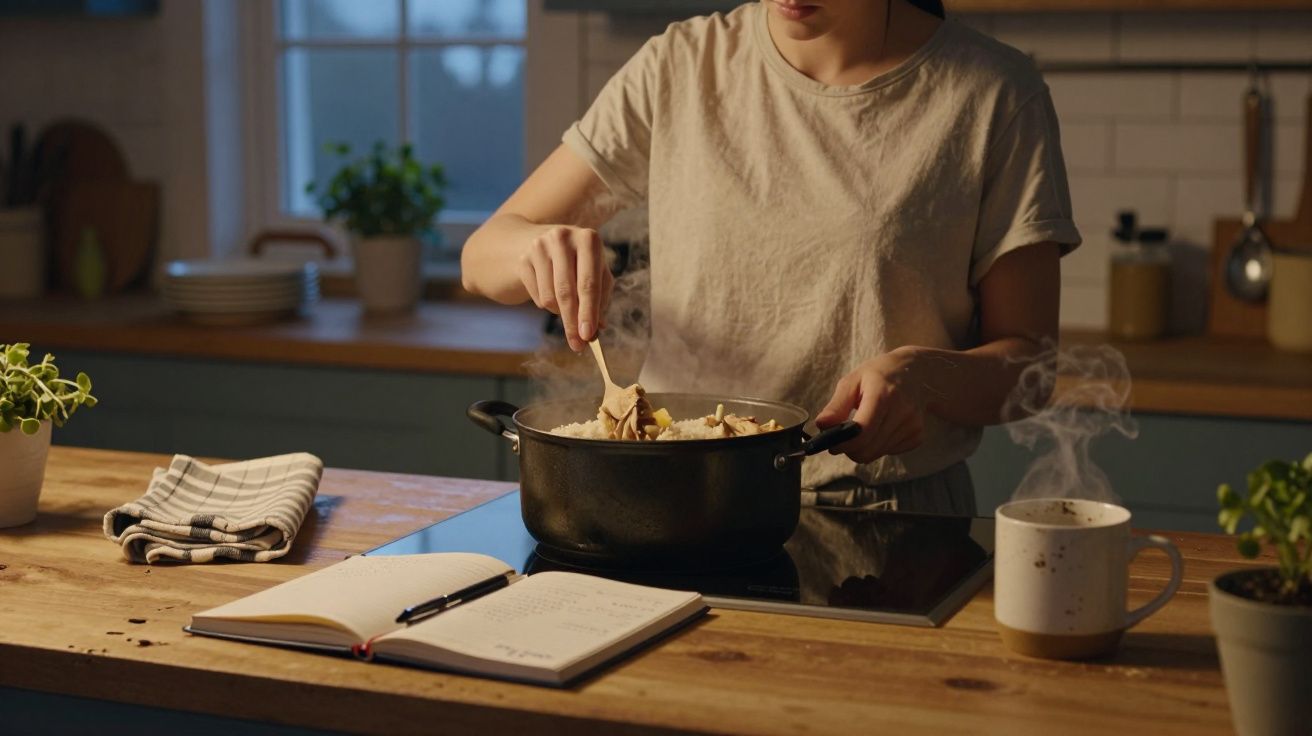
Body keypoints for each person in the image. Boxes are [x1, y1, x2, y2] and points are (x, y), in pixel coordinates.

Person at [461, 0, 1081, 515]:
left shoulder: (994, 94)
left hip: (887, 516)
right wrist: (532, 248)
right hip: (671, 503)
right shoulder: (680, 66)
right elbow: (481, 257)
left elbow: (1030, 367)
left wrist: (926, 377)